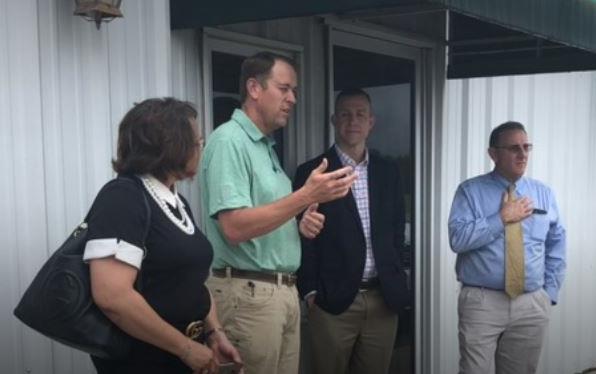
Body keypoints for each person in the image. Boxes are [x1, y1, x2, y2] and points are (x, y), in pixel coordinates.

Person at [199, 52, 357, 374]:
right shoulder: (230, 141)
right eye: (284, 89)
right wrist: (304, 196)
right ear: (254, 88)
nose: (292, 99)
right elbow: (233, 227)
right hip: (248, 296)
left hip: (278, 293)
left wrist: (298, 226)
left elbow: (262, 218)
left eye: (294, 91)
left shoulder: (263, 146)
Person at [84, 98, 242, 373]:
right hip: (144, 361)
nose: (200, 147)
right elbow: (112, 296)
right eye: (196, 141)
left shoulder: (174, 201)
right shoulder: (123, 197)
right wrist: (186, 348)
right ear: (171, 146)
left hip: (184, 356)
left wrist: (214, 332)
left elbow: (190, 279)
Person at [293, 88, 409, 374]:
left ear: (371, 122)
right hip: (332, 303)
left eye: (360, 115)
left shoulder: (388, 171)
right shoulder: (313, 172)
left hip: (382, 299)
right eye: (345, 114)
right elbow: (302, 237)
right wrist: (309, 291)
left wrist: (396, 275)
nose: (352, 121)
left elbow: (396, 229)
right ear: (334, 120)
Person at [448, 121, 566, 374]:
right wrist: (501, 218)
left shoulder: (543, 193)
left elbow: (556, 242)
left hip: (531, 303)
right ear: (493, 154)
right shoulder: (470, 191)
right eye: (514, 148)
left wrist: (549, 292)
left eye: (526, 147)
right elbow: (457, 239)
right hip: (482, 302)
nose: (523, 154)